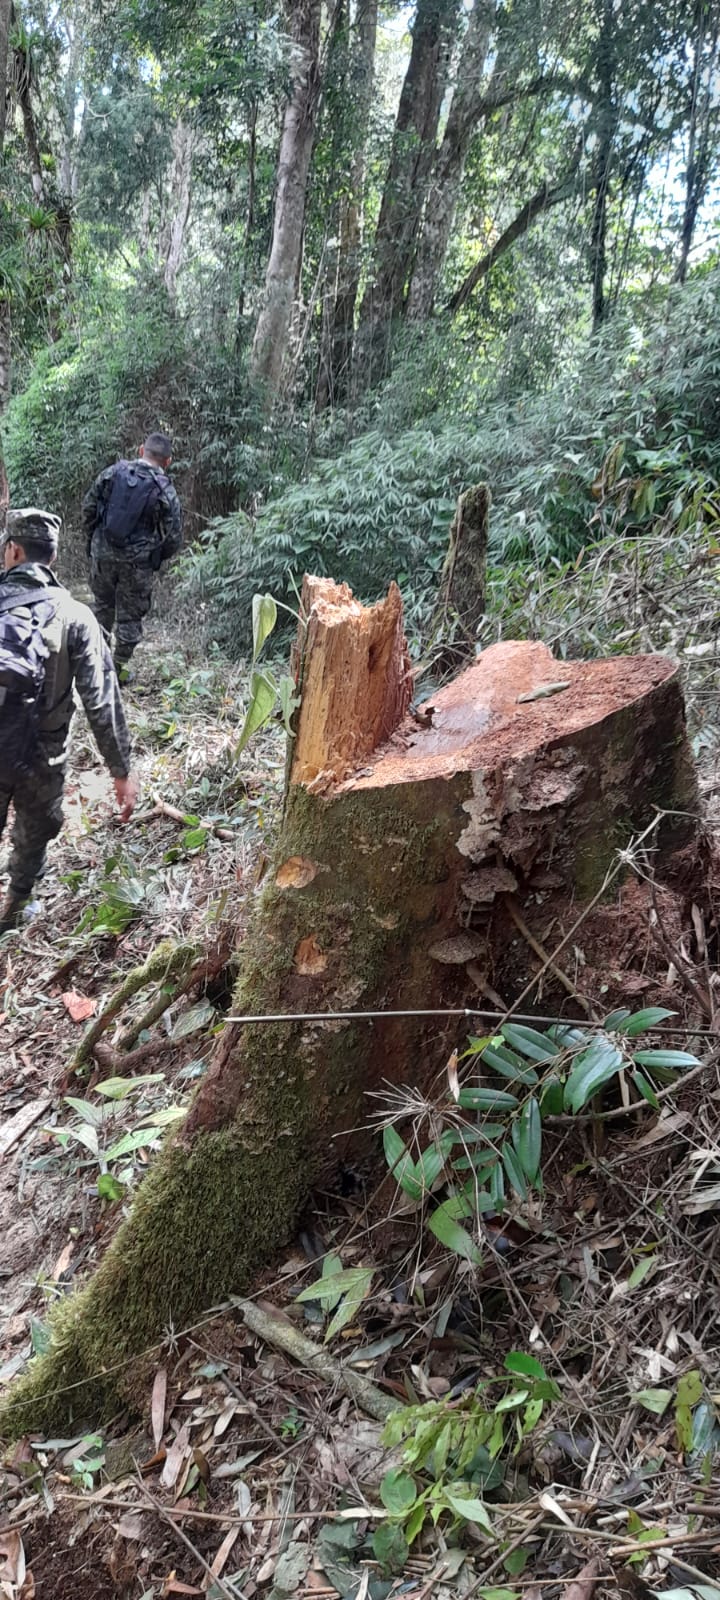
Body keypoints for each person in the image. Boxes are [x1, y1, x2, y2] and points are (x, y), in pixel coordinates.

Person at [0, 508, 138, 934]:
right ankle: (17, 905)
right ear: (53, 557)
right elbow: (101, 699)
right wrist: (121, 770)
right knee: (35, 832)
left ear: (13, 551)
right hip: (43, 755)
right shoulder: (77, 616)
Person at [83, 431, 183, 679]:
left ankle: (97, 664)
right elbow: (173, 536)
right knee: (130, 618)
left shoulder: (112, 473)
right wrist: (153, 557)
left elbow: (88, 508)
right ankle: (117, 670)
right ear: (167, 461)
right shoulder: (165, 489)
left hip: (103, 555)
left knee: (102, 607)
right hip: (137, 564)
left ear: (141, 450)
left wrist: (94, 543)